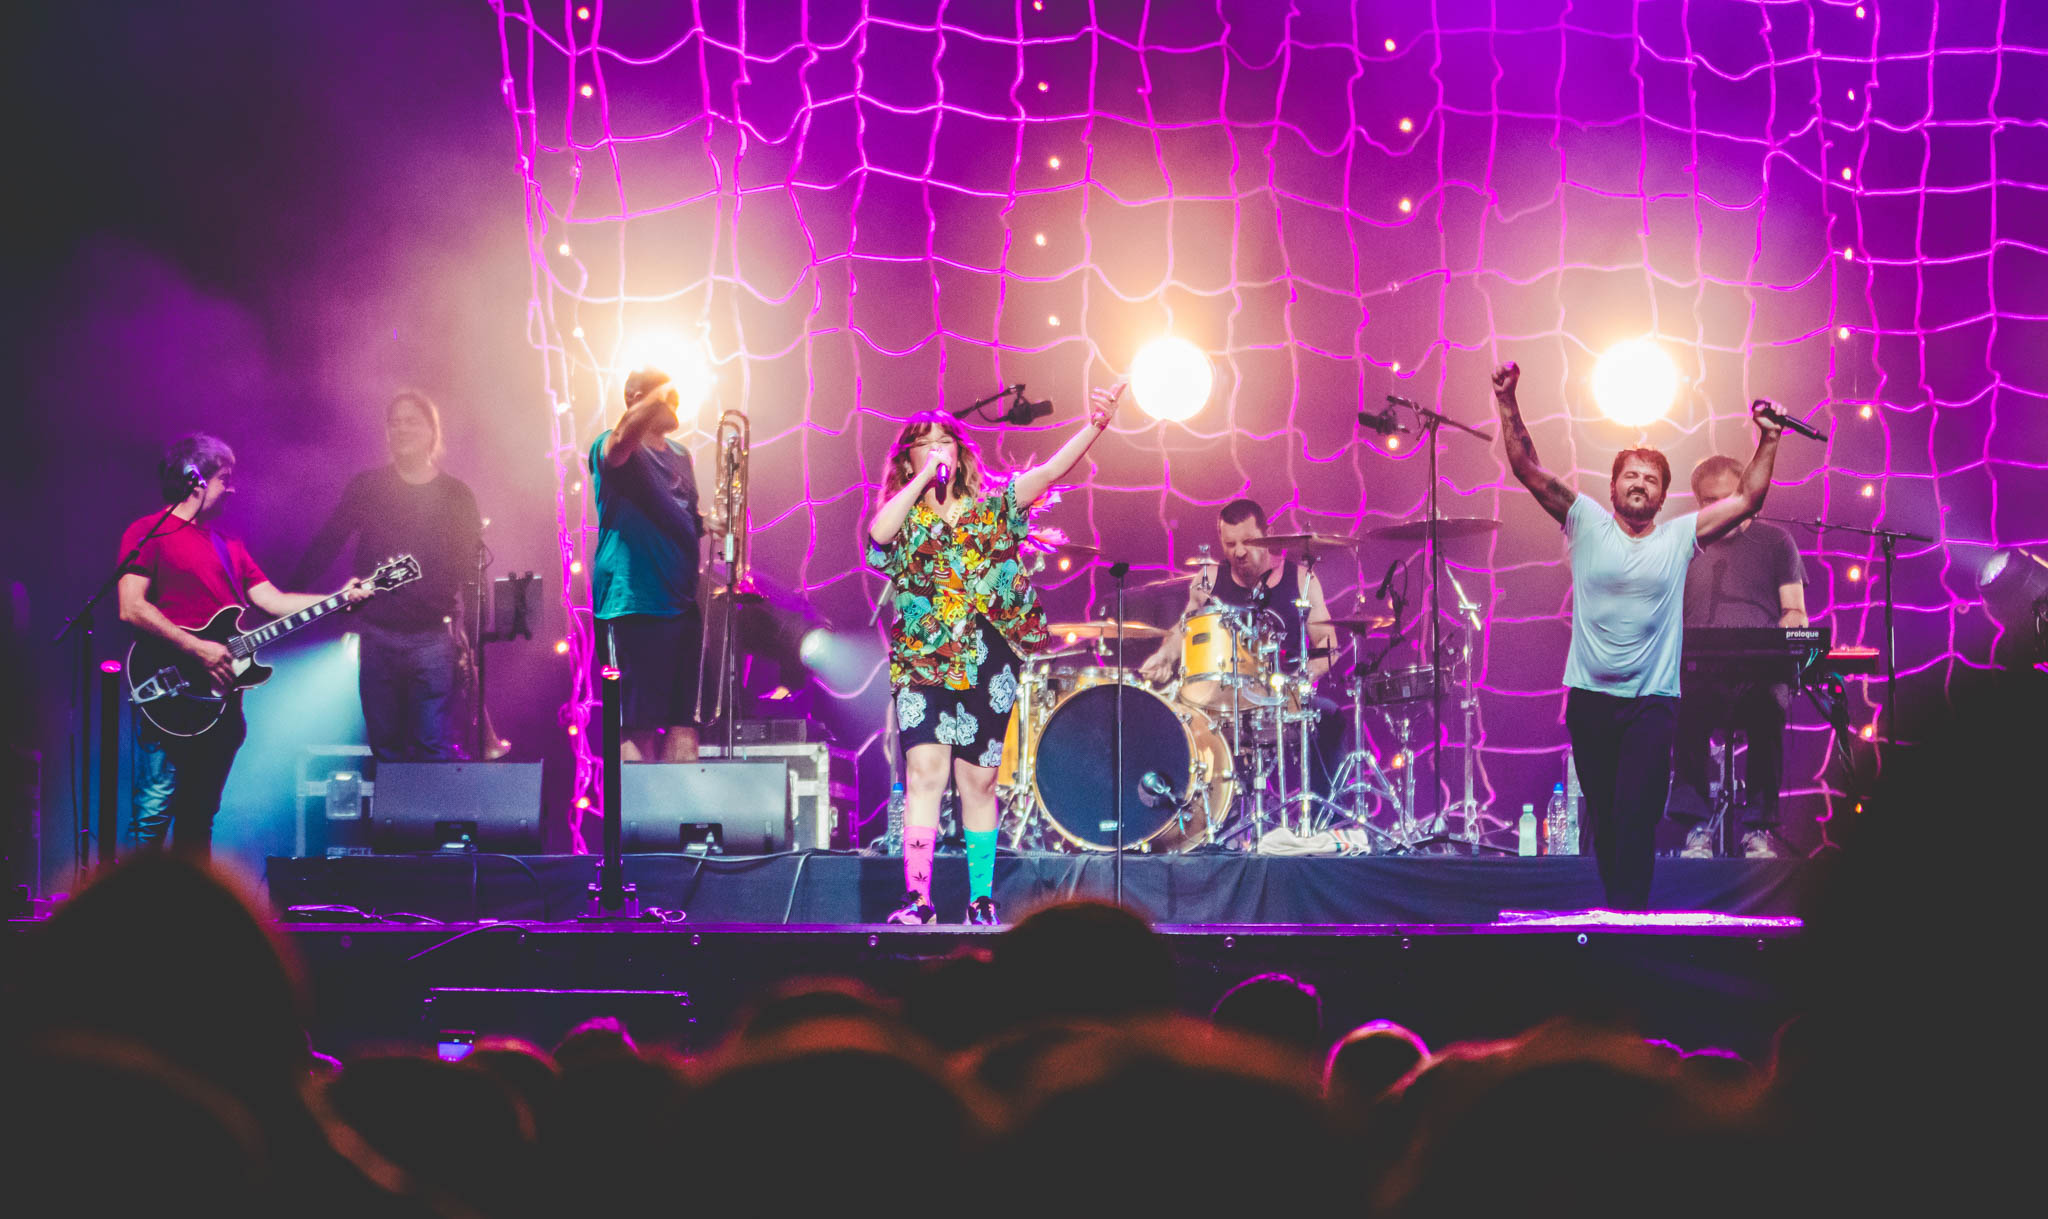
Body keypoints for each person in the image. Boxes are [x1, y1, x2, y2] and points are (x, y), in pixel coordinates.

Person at [1490, 362, 1783, 909]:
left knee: (1636, 813)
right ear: (1613, 486)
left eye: (1651, 479)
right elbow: (1526, 466)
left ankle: (1630, 914)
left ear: (1663, 496)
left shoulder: (1677, 537)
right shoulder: (1584, 520)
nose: (1640, 484)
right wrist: (1507, 400)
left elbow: (1748, 499)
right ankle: (1618, 907)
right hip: (1590, 699)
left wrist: (1768, 437)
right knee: (1605, 817)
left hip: (1652, 700)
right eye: (1632, 475)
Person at [865, 386, 1125, 925]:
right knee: (924, 773)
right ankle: (918, 900)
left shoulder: (993, 509)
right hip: (923, 660)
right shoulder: (903, 517)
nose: (938, 450)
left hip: (987, 659)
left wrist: (1096, 424)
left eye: (946, 442)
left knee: (978, 781)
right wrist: (921, 479)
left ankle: (981, 898)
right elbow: (878, 532)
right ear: (908, 458)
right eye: (925, 443)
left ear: (961, 453)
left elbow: (1049, 472)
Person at [117, 434, 372, 858]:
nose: (231, 489)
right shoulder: (148, 533)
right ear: (195, 480)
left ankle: (189, 900)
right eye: (224, 478)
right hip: (170, 690)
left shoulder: (228, 546)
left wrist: (340, 598)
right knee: (154, 811)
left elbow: (275, 601)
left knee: (199, 817)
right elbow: (131, 607)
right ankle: (131, 899)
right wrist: (198, 649)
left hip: (222, 702)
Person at [292, 391, 483, 761]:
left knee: (433, 748)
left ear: (432, 431)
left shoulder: (456, 495)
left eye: (411, 421)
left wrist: (472, 641)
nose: (401, 429)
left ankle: (428, 804)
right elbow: (328, 542)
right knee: (385, 749)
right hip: (377, 634)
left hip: (433, 637)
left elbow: (470, 571)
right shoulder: (368, 486)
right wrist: (288, 594)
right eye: (395, 422)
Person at [1138, 499, 1344, 809]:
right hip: (1218, 701)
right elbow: (1185, 628)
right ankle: (1190, 818)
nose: (1238, 552)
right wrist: (1165, 656)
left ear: (1268, 535)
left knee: (1330, 718)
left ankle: (1323, 818)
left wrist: (1300, 680)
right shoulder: (1208, 579)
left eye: (1248, 542)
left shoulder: (1302, 579)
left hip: (1281, 700)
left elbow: (1328, 642)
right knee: (1165, 719)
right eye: (1230, 544)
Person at [1667, 454, 1808, 857]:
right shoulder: (1685, 542)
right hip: (1698, 673)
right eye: (1710, 501)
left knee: (1768, 704)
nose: (1721, 509)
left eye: (1729, 498)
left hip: (1759, 674)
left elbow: (1794, 609)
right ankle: (1696, 829)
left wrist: (1788, 635)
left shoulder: (1776, 542)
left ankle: (1757, 830)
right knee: (1684, 704)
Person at [587, 367, 724, 763]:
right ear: (637, 400)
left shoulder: (680, 454)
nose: (675, 401)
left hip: (681, 604)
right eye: (666, 396)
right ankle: (635, 806)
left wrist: (704, 523)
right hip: (634, 603)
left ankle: (675, 804)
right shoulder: (611, 445)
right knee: (638, 726)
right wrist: (657, 394)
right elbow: (620, 441)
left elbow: (678, 512)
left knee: (686, 725)